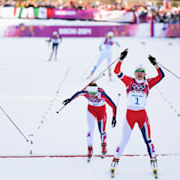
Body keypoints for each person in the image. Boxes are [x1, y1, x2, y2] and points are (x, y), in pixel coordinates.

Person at [110, 49, 165, 177]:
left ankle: (153, 161)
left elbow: (161, 76)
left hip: (141, 115)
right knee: (123, 141)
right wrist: (121, 59)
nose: (139, 74)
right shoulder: (129, 81)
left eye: (141, 72)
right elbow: (117, 72)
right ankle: (115, 161)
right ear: (134, 73)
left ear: (144, 74)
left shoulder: (148, 83)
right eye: (137, 72)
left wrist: (155, 64)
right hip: (129, 115)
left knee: (148, 140)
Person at [62, 82, 117, 161]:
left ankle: (104, 145)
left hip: (101, 112)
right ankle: (90, 149)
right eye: (90, 93)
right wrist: (69, 100)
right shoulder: (86, 92)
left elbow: (113, 105)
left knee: (102, 131)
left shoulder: (102, 94)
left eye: (94, 93)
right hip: (91, 111)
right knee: (90, 130)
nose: (92, 95)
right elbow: (78, 94)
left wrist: (114, 117)